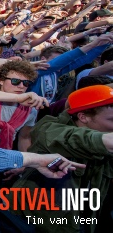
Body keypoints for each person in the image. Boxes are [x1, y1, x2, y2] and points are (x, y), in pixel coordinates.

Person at [7, 85, 113, 233]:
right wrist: (105, 140)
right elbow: (75, 139)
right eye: (112, 119)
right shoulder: (49, 129)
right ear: (83, 117)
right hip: (33, 222)